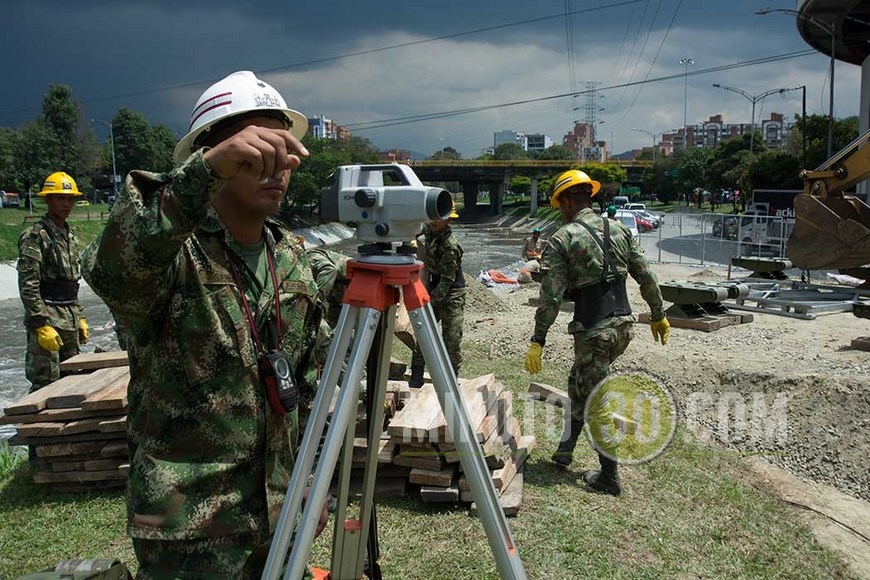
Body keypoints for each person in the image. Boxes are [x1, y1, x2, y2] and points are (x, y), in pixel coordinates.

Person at [81, 70, 328, 578]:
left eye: (285, 154)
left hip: (280, 517)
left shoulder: (293, 260)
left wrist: (312, 478)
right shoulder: (172, 258)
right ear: (213, 158)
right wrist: (202, 174)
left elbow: (306, 382)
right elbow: (114, 265)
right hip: (192, 530)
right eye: (258, 153)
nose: (277, 168)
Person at [524, 169, 670, 496]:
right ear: (589, 196)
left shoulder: (563, 239)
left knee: (596, 400)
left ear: (564, 202)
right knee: (579, 381)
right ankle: (565, 450)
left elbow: (551, 297)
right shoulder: (618, 229)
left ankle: (609, 477)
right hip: (623, 327)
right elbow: (645, 275)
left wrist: (538, 340)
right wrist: (659, 315)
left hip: (595, 331)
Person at [17, 172, 89, 394]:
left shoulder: (69, 234)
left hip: (69, 317)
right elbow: (28, 283)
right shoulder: (36, 235)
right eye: (60, 198)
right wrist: (40, 323)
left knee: (73, 381)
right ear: (48, 200)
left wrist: (81, 316)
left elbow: (72, 281)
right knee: (45, 383)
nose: (66, 204)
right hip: (47, 317)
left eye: (70, 199)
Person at [409, 203, 465, 387]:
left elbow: (447, 280)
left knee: (451, 340)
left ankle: (451, 381)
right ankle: (416, 378)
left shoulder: (450, 246)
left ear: (448, 220)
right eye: (432, 216)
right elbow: (414, 230)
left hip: (451, 295)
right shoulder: (430, 231)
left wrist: (431, 301)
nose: (434, 220)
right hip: (434, 289)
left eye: (439, 217)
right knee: (424, 336)